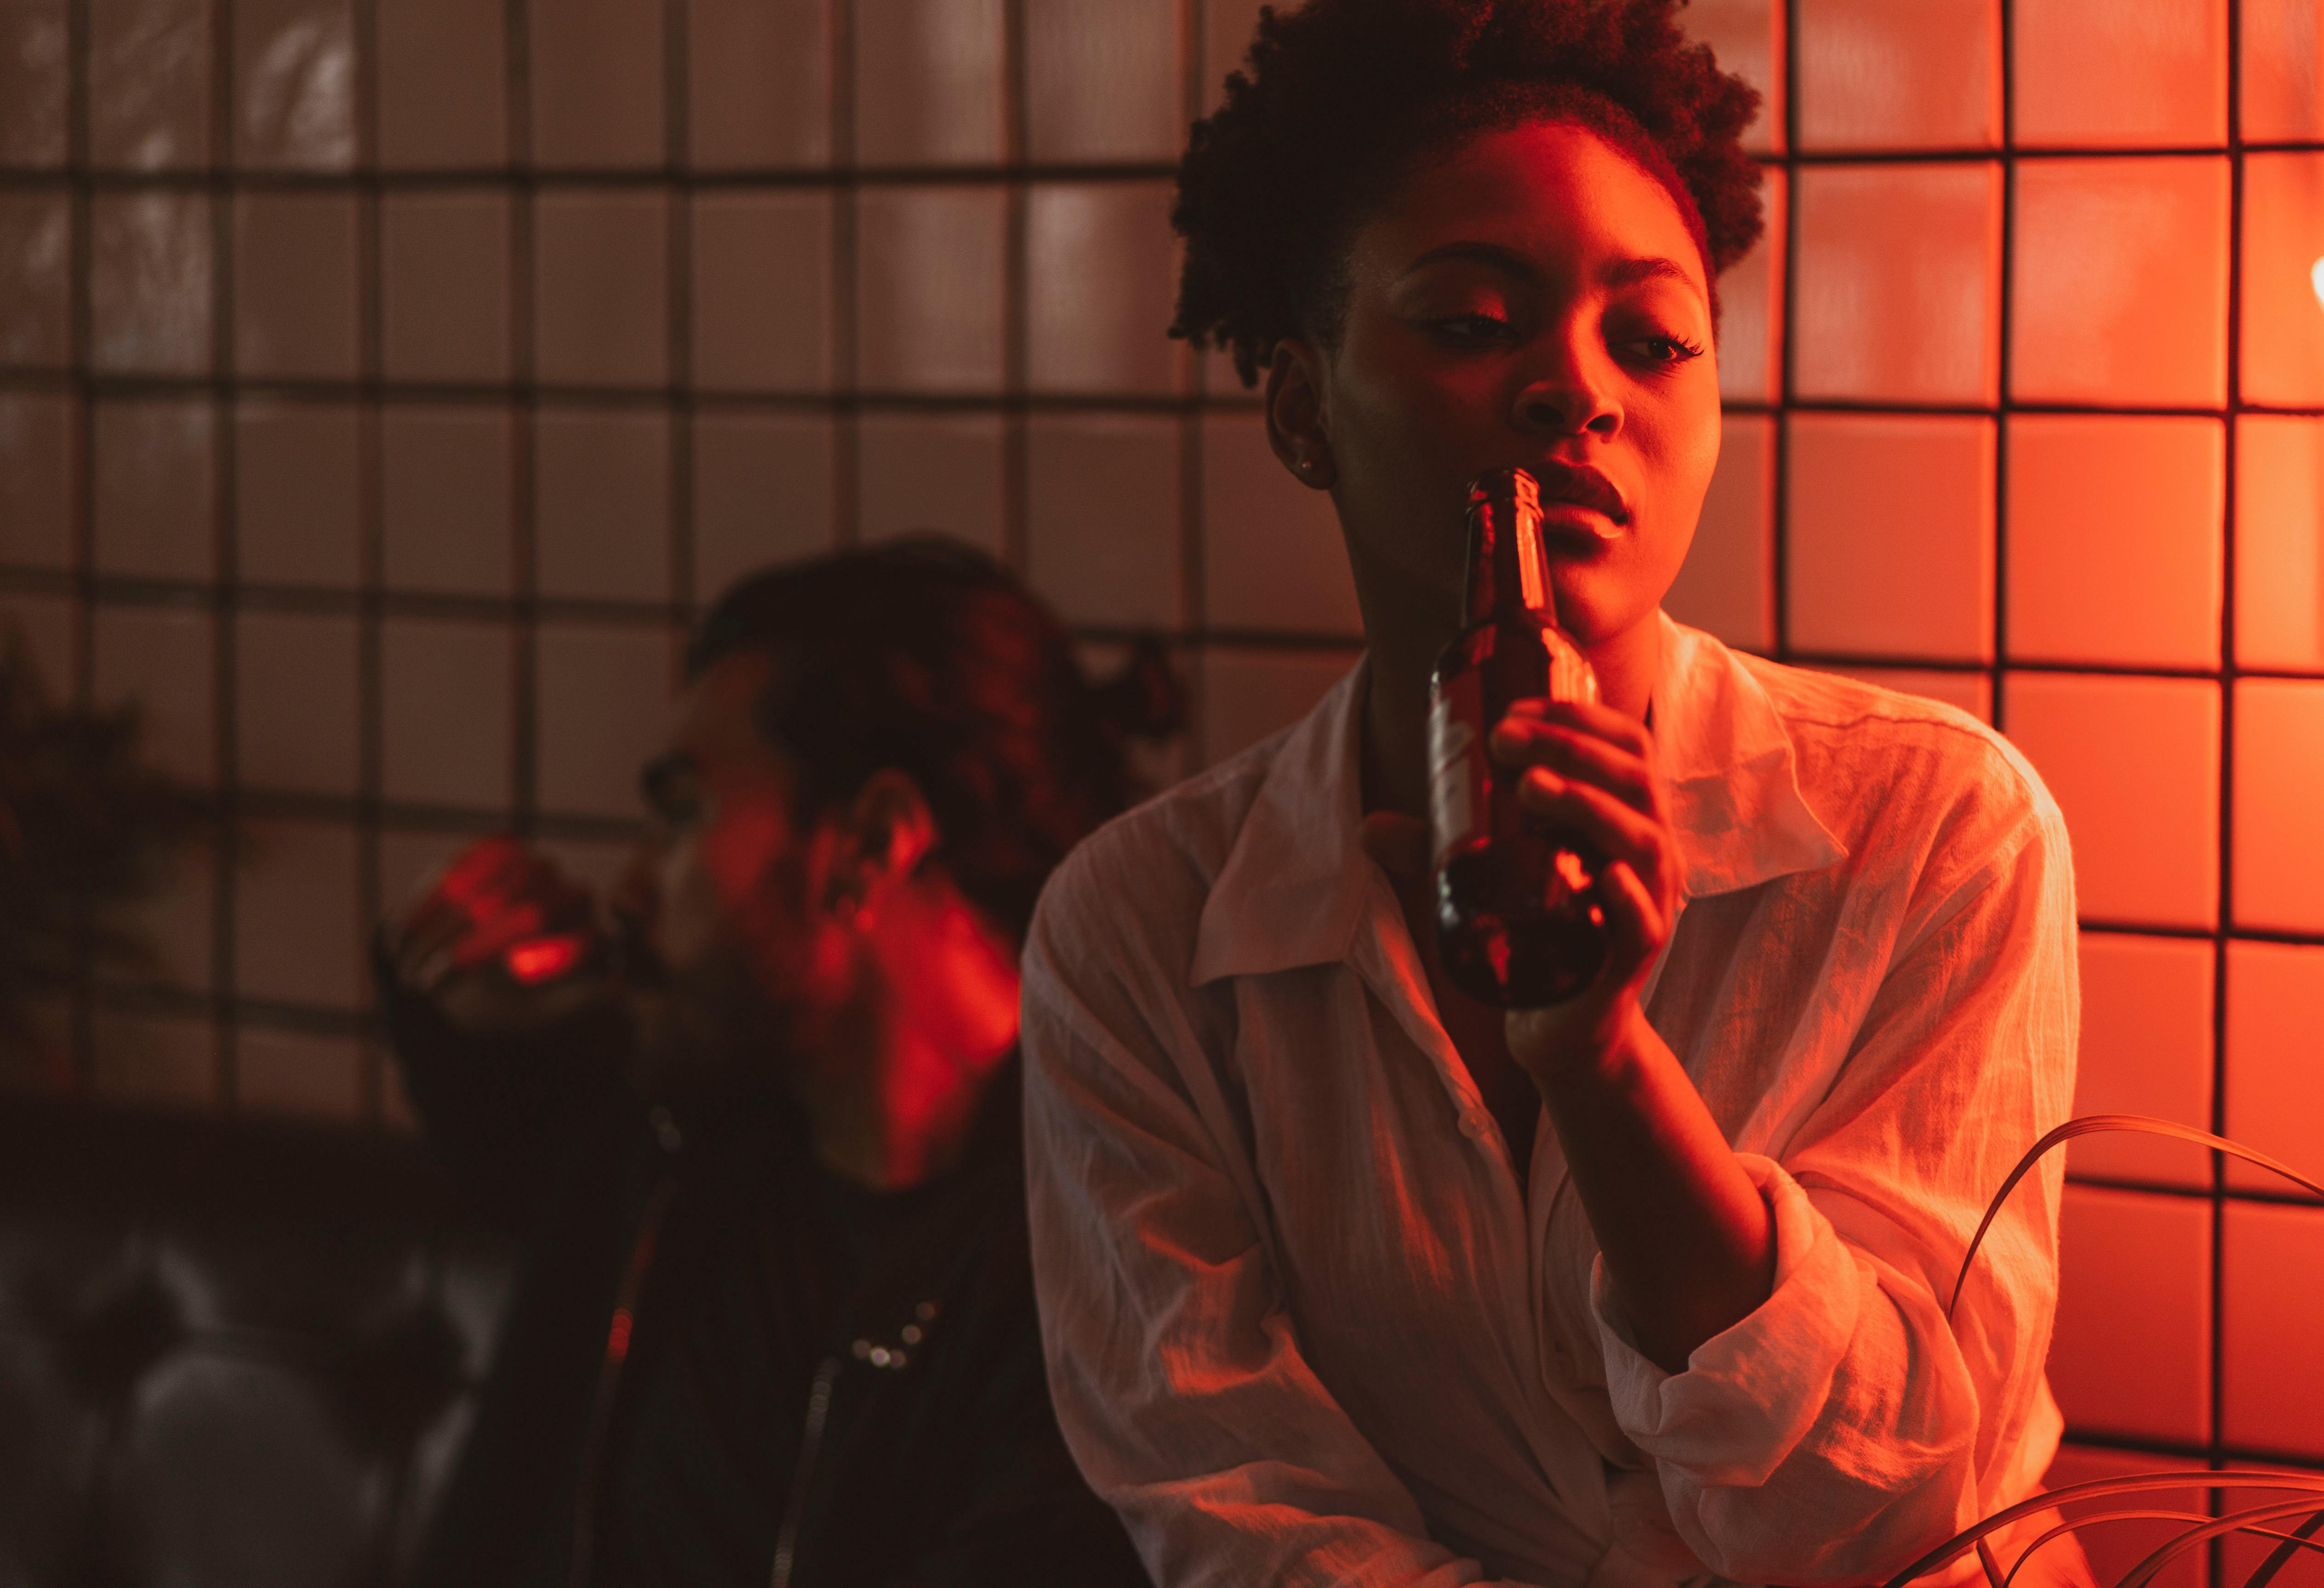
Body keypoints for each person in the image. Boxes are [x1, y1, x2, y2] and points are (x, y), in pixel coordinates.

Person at [1018, 3, 2083, 1586]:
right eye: (1466, 321)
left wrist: (1599, 1068)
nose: (1576, 392)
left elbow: (1879, 1512)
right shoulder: (1136, 930)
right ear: (1303, 409)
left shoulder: (1930, 827)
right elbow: (1235, 1508)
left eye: (1649, 340)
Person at [381, 539, 1167, 1588]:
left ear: (869, 841)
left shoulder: (1098, 1287)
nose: (629, 886)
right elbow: (496, 1113)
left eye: (680, 812)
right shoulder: (682, 1149)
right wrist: (452, 983)